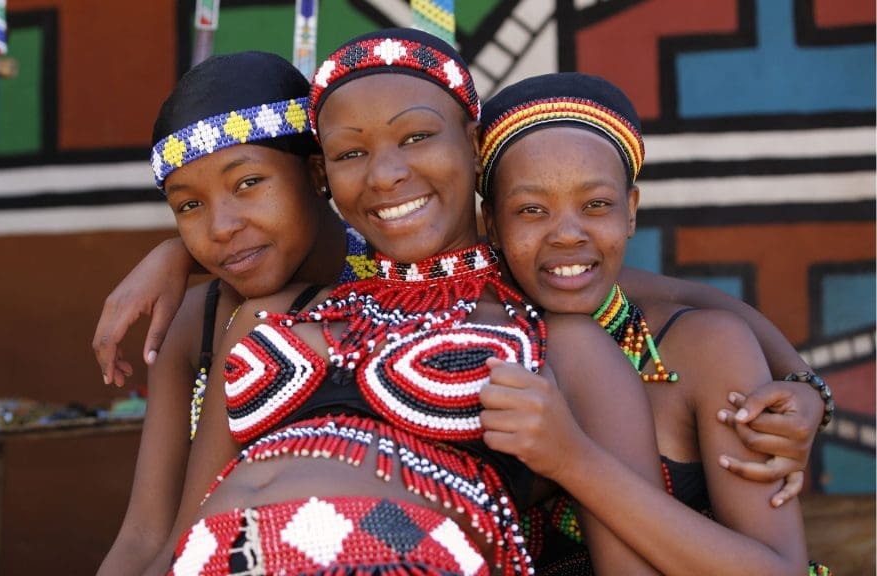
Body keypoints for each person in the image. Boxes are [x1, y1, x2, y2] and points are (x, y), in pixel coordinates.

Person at [147, 28, 664, 575]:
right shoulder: (267, 315)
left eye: (417, 137)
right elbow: (180, 537)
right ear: (324, 174)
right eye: (350, 152)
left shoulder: (559, 343)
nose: (385, 175)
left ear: (474, 145)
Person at [479, 72, 829, 574]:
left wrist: (572, 461)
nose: (568, 235)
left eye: (596, 205)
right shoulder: (458, 351)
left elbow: (779, 569)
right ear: (492, 224)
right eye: (532, 210)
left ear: (631, 212)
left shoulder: (705, 350)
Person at [96, 51, 376, 576]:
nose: (221, 227)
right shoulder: (195, 324)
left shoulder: (397, 282)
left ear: (316, 172)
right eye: (189, 206)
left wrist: (176, 255)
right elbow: (144, 535)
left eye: (247, 183)